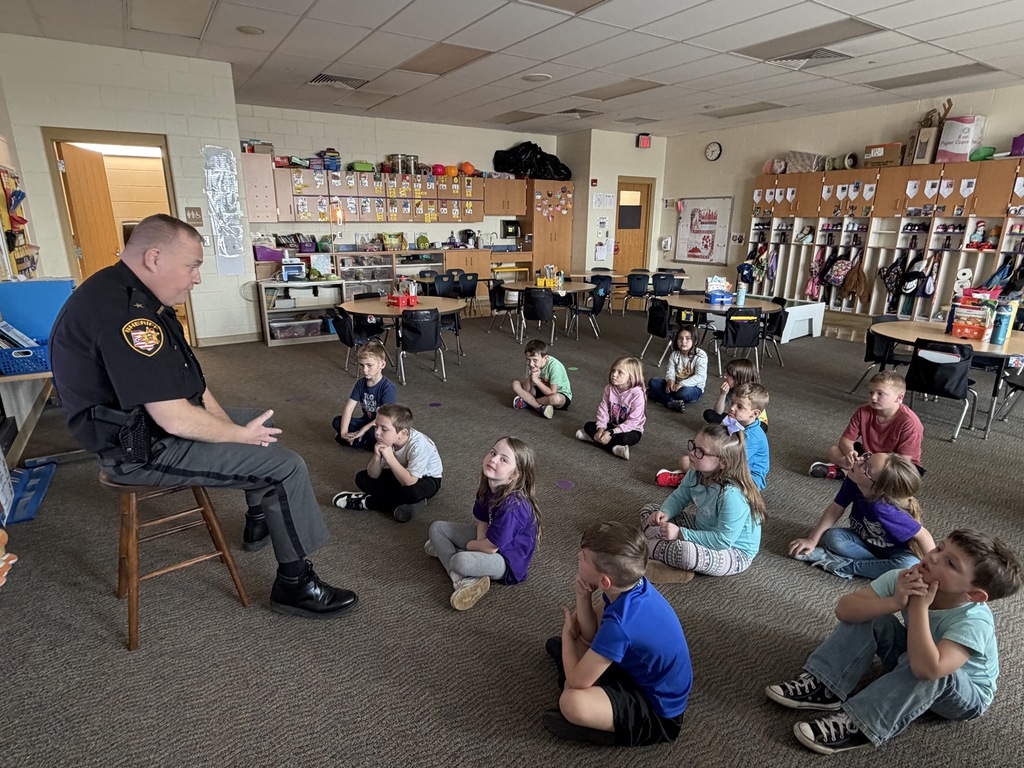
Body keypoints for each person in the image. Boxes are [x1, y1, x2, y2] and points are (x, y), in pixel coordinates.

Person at [48, 214, 357, 619]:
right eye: (192, 266)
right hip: (136, 447)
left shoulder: (132, 292)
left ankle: (261, 516)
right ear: (155, 257)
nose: (196, 278)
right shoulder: (126, 315)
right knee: (286, 467)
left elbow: (191, 384)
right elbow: (175, 419)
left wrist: (236, 430)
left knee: (260, 426)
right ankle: (295, 584)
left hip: (147, 422)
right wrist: (234, 436)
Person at [766, 529, 1022, 755]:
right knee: (873, 613)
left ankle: (861, 724)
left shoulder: (974, 623)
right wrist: (893, 602)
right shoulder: (905, 577)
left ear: (974, 594)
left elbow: (928, 670)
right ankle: (826, 685)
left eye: (950, 563)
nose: (932, 556)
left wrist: (920, 607)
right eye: (940, 547)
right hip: (913, 656)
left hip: (960, 695)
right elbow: (845, 610)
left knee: (932, 668)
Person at [543, 521, 692, 747]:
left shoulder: (621, 624)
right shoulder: (632, 586)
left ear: (605, 581)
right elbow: (592, 634)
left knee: (571, 700)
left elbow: (577, 681)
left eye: (583, 556)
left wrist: (567, 637)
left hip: (659, 713)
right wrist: (582, 596)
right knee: (581, 649)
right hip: (641, 674)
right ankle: (579, 666)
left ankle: (610, 732)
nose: (578, 556)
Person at [641, 423, 766, 584]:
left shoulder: (732, 494)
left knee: (685, 553)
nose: (692, 453)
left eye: (700, 452)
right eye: (693, 445)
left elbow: (722, 540)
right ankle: (658, 552)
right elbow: (680, 496)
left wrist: (681, 534)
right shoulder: (696, 471)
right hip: (703, 529)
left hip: (733, 551)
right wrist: (665, 513)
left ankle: (642, 549)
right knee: (649, 510)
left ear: (723, 462)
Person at [425, 437, 540, 611]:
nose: (493, 459)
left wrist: (472, 546)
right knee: (437, 528)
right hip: (489, 540)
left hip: (507, 562)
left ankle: (459, 569)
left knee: (459, 561)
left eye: (503, 459)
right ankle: (463, 576)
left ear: (514, 476)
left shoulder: (512, 507)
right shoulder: (489, 485)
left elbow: (491, 549)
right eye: (493, 453)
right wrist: (478, 543)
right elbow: (483, 520)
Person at [790, 452, 935, 580]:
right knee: (832, 536)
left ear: (876, 488)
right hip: (864, 542)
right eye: (867, 456)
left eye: (865, 467)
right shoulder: (854, 481)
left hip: (895, 553)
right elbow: (835, 509)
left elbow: (924, 536)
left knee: (909, 566)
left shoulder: (884, 510)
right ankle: (876, 568)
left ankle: (844, 566)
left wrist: (935, 571)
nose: (858, 460)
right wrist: (811, 540)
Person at [332, 404, 442, 522]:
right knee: (362, 478)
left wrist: (389, 457)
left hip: (427, 479)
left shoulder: (419, 445)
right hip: (401, 472)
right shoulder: (387, 439)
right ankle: (408, 502)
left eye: (384, 429)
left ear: (403, 433)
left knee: (413, 492)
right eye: (376, 427)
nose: (377, 433)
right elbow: (373, 475)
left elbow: (410, 481)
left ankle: (368, 502)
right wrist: (377, 456)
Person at [810, 372, 923, 480]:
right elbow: (846, 440)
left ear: (899, 398)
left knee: (897, 475)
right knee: (833, 450)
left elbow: (903, 460)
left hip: (897, 464)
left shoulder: (909, 422)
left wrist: (870, 463)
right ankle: (859, 474)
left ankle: (847, 473)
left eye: (880, 393)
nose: (873, 397)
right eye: (870, 392)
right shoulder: (863, 411)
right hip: (868, 456)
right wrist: (850, 452)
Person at [657, 382, 770, 490]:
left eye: (739, 407)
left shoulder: (752, 437)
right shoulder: (734, 422)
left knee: (697, 467)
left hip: (748, 479)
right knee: (687, 461)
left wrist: (706, 464)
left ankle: (687, 481)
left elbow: (733, 463)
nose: (731, 408)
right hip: (727, 463)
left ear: (755, 414)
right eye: (732, 403)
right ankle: (693, 479)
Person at [576, 356, 646, 461]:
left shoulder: (637, 395)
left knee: (624, 439)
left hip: (631, 430)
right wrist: (601, 428)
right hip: (612, 425)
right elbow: (603, 409)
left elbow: (633, 422)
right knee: (588, 426)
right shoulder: (609, 388)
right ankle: (614, 448)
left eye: (620, 372)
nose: (614, 374)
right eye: (613, 370)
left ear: (631, 377)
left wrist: (611, 432)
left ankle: (592, 439)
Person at [331, 340, 396, 450]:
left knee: (374, 434)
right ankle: (358, 440)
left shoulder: (387, 387)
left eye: (369, 365)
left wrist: (363, 429)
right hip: (366, 421)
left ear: (382, 364)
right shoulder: (361, 383)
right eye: (362, 365)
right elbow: (349, 407)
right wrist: (344, 432)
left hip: (380, 425)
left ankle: (358, 440)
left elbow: (386, 417)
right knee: (337, 421)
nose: (364, 370)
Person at [646, 325, 707, 413]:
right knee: (653, 381)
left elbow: (700, 376)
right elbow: (670, 371)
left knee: (683, 393)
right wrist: (670, 381)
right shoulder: (674, 354)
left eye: (688, 338)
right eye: (680, 338)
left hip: (693, 388)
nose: (683, 342)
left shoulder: (701, 355)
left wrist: (681, 384)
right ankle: (670, 402)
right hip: (676, 385)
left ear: (695, 340)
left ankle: (656, 395)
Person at [702, 357, 768, 432]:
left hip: (752, 422)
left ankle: (734, 430)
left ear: (739, 379)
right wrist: (723, 394)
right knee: (709, 414)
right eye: (725, 373)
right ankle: (735, 430)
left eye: (729, 375)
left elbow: (751, 416)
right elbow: (718, 412)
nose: (724, 376)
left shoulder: (752, 393)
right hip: (737, 417)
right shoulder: (731, 389)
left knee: (762, 428)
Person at [511, 338, 572, 419]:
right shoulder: (530, 364)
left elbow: (552, 393)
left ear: (545, 358)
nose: (531, 364)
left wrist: (536, 380)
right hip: (542, 390)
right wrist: (530, 376)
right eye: (528, 360)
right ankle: (539, 407)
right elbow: (526, 389)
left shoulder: (554, 367)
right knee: (515, 384)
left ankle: (528, 402)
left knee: (555, 399)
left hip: (559, 394)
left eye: (535, 360)